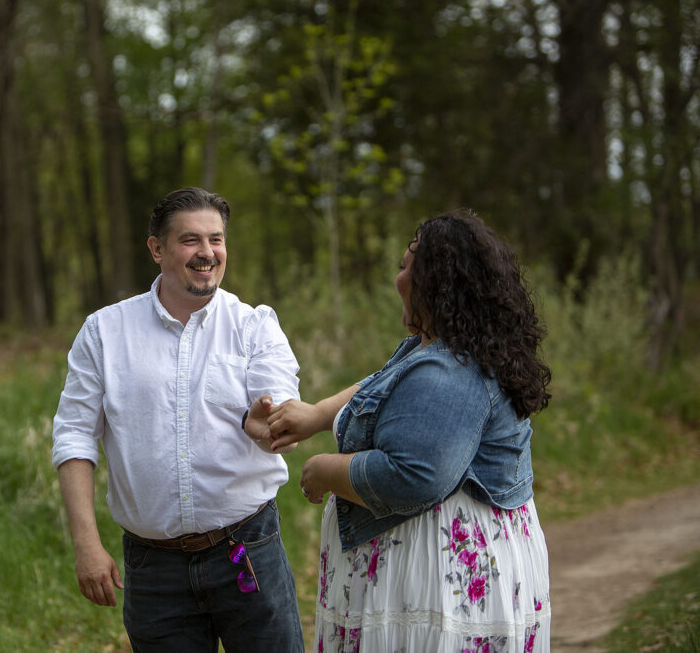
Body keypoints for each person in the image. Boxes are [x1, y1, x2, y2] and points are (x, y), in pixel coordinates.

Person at [265, 209, 552, 651]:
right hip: (432, 567)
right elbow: (380, 385)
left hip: (436, 582)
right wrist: (317, 415)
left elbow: (414, 477)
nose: (398, 278)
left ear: (436, 283)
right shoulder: (437, 348)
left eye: (405, 267)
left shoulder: (449, 371)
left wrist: (325, 470)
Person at [51, 187, 305, 652]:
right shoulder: (104, 332)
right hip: (153, 568)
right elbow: (74, 438)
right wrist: (86, 544)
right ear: (156, 249)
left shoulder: (255, 326)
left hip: (247, 551)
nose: (207, 253)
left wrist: (268, 423)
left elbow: (274, 409)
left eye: (216, 239)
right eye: (190, 240)